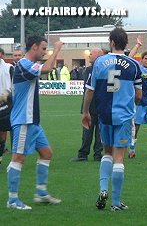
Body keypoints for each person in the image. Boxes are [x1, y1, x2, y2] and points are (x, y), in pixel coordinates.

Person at [82, 27, 143, 211]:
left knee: (107, 153)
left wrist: (86, 112)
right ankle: (116, 202)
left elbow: (90, 90)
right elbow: (139, 96)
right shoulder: (134, 65)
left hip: (104, 115)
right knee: (119, 157)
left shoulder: (99, 62)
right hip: (123, 116)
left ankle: (102, 190)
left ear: (112, 42)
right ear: (125, 43)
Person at [7, 35, 64, 210]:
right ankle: (12, 200)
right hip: (24, 119)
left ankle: (41, 193)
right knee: (18, 158)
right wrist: (57, 49)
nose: (45, 52)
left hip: (33, 121)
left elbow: (46, 67)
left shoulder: (28, 65)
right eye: (43, 48)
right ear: (34, 47)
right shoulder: (24, 64)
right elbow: (48, 68)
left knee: (46, 153)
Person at [71, 48, 104, 162]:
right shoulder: (89, 69)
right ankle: (88, 154)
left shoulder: (95, 69)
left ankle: (93, 154)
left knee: (97, 133)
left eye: (91, 54)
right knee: (88, 133)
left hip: (95, 105)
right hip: (94, 105)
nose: (89, 56)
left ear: (98, 56)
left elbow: (89, 90)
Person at [0, 48, 13, 169]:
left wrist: (7, 95)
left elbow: (14, 86)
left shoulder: (8, 68)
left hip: (5, 103)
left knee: (3, 132)